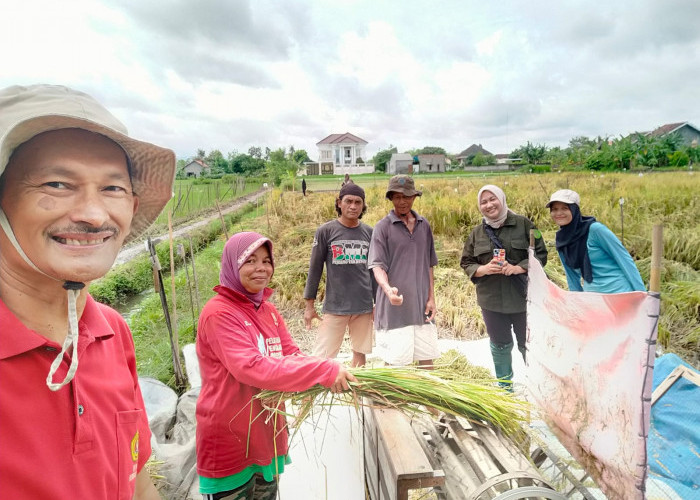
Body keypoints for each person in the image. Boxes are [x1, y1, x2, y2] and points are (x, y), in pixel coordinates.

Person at [0, 84, 175, 498]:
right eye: (58, 184)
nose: (95, 216)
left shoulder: (111, 332)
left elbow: (138, 480)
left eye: (113, 188)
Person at [196, 231, 356, 500]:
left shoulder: (268, 311)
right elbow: (251, 367)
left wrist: (326, 368)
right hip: (231, 439)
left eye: (267, 260)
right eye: (250, 261)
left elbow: (290, 353)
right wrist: (321, 371)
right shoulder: (219, 313)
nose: (261, 268)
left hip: (266, 434)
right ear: (232, 265)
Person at [460, 185, 547, 390]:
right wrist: (484, 269)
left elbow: (541, 254)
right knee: (499, 344)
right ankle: (505, 387)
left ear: (502, 199)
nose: (489, 205)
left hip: (522, 298)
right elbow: (466, 262)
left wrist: (518, 268)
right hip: (491, 301)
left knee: (529, 344)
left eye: (493, 199)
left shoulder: (526, 224)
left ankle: (538, 387)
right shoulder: (476, 233)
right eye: (483, 202)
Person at [368, 175, 438, 367]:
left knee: (427, 363)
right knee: (396, 367)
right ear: (391, 198)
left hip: (422, 307)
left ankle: (425, 398)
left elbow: (429, 264)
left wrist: (431, 297)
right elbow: (377, 265)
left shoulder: (424, 226)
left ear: (414, 197)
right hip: (395, 309)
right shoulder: (383, 227)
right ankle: (389, 399)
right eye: (397, 197)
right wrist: (388, 289)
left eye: (407, 196)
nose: (402, 201)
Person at [303, 183, 376, 367]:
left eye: (358, 202)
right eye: (348, 201)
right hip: (336, 306)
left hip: (363, 306)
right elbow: (315, 269)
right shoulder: (326, 231)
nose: (353, 206)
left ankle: (356, 396)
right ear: (339, 203)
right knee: (321, 358)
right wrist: (309, 306)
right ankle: (307, 395)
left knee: (360, 355)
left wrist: (377, 303)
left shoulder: (369, 232)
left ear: (363, 205)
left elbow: (373, 271)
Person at [547, 189, 645, 293]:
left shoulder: (595, 230)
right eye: (554, 209)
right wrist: (576, 302)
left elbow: (624, 259)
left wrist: (642, 293)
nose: (559, 213)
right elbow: (571, 276)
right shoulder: (562, 240)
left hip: (619, 292)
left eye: (565, 208)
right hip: (593, 297)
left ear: (574, 209)